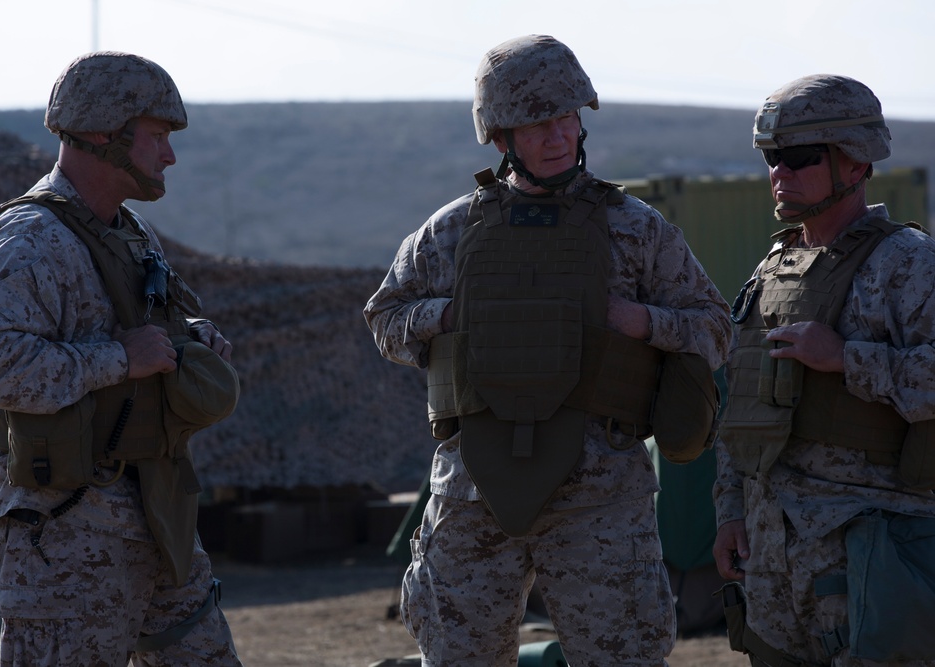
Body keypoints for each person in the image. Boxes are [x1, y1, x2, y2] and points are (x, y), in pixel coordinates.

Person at [363, 34, 731, 666]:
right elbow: (385, 320)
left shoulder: (634, 227)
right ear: (501, 136)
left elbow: (716, 328)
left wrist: (639, 321)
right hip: (472, 492)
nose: (558, 136)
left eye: (567, 118)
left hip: (601, 499)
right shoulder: (451, 230)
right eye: (538, 124)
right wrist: (449, 316)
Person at [0, 51, 242, 666]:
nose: (169, 155)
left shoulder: (128, 232)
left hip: (157, 507)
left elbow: (147, 322)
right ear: (105, 135)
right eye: (158, 137)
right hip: (65, 531)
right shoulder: (29, 238)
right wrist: (115, 359)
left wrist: (191, 337)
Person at [713, 74, 935, 666]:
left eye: (799, 157)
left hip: (869, 551)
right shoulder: (774, 268)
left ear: (856, 163)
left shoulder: (907, 264)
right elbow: (742, 403)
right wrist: (731, 512)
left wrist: (845, 359)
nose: (779, 173)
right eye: (772, 158)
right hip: (771, 555)